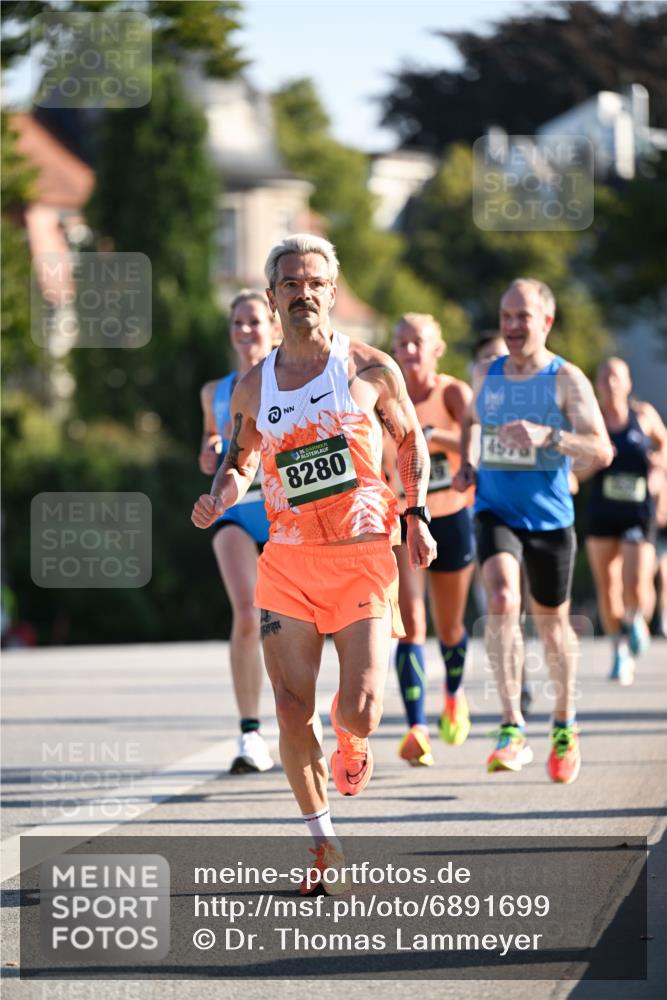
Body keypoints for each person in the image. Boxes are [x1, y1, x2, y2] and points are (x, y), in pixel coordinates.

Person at [192, 234, 436, 887]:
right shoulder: (252, 386)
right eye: (289, 284)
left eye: (313, 283)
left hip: (360, 561)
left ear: (332, 289)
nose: (303, 294)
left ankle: (351, 737)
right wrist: (220, 496)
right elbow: (240, 461)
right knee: (289, 709)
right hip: (289, 565)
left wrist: (416, 512)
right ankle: (323, 845)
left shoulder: (368, 369)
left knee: (359, 707)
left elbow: (410, 441)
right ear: (272, 298)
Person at [454, 278, 613, 784]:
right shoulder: (486, 371)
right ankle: (511, 726)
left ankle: (564, 724)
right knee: (500, 597)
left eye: (523, 316)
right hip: (495, 509)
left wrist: (552, 437)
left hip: (550, 518)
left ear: (546, 320)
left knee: (552, 627)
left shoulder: (567, 379)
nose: (513, 326)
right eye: (506, 316)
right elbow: (472, 422)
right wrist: (467, 463)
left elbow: (602, 449)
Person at [387, 314, 475, 767]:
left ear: (437, 348)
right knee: (412, 623)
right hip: (406, 520)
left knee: (451, 625)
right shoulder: (386, 399)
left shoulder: (454, 393)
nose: (409, 351)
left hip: (453, 516)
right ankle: (416, 728)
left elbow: (480, 442)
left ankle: (455, 694)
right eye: (401, 344)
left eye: (418, 342)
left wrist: (437, 438)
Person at [198, 290, 278, 774]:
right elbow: (211, 444)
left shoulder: (290, 379)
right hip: (235, 511)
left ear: (272, 326)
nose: (245, 331)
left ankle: (301, 717)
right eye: (237, 322)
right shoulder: (214, 391)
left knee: (295, 624)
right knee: (248, 615)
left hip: (286, 514)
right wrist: (208, 451)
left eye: (253, 322)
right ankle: (250, 734)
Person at [582, 358, 667, 684]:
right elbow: (580, 467)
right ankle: (619, 650)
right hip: (602, 511)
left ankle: (637, 618)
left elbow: (664, 444)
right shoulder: (592, 421)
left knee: (635, 581)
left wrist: (659, 464)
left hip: (638, 511)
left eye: (616, 376)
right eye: (603, 377)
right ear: (597, 385)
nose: (610, 382)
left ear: (628, 382)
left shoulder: (643, 415)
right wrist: (594, 461)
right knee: (608, 585)